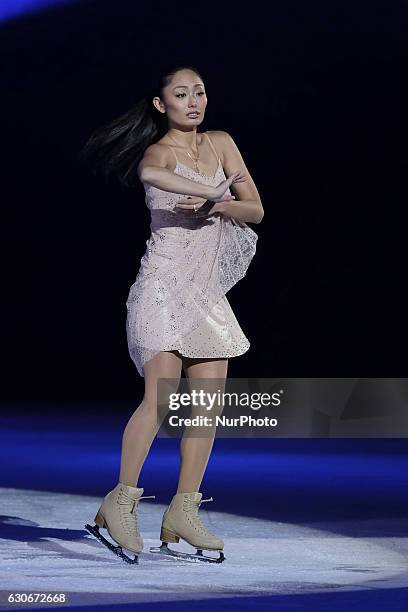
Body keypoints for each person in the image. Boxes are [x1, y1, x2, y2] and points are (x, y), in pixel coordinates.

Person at [80, 64, 264, 563]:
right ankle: (120, 500)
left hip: (203, 296)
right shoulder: (157, 152)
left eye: (200, 91)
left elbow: (256, 209)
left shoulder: (222, 142)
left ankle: (183, 510)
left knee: (205, 407)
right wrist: (211, 191)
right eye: (181, 94)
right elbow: (151, 174)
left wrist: (219, 205)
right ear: (162, 104)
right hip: (160, 290)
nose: (193, 101)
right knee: (160, 400)